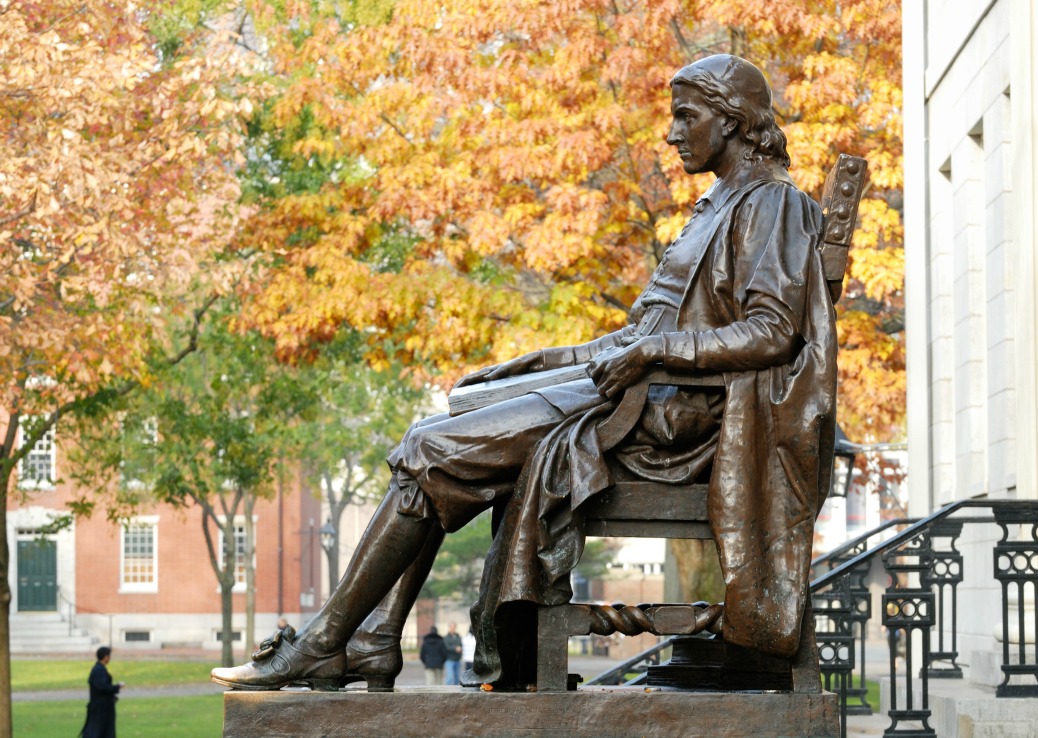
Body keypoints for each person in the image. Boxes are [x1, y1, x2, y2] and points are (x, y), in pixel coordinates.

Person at [212, 54, 837, 692]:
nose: (672, 133)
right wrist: (541, 361)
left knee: (428, 448)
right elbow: (640, 334)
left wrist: (652, 354)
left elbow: (772, 332)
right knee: (438, 425)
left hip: (672, 423)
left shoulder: (772, 205)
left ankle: (328, 642)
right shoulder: (718, 204)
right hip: (640, 396)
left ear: (731, 120)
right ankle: (370, 639)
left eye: (686, 116)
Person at [81, 646, 123, 738]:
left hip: (102, 706)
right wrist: (117, 687)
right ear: (105, 657)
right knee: (98, 731)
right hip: (101, 708)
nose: (110, 658)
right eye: (109, 656)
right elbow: (102, 687)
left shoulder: (99, 669)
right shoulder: (99, 670)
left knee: (101, 730)